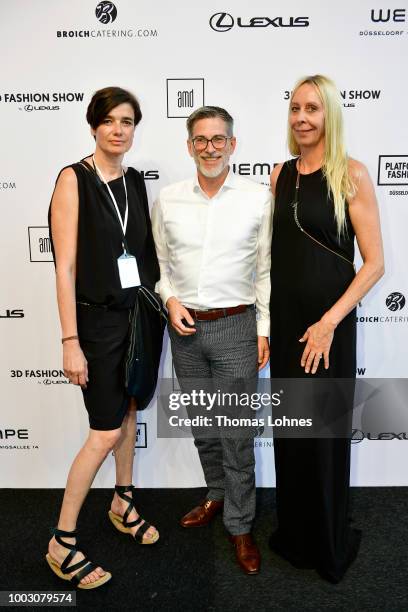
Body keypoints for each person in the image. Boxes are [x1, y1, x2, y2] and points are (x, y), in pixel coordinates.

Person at [269, 75, 384, 583]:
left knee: (326, 435)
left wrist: (329, 322)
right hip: (288, 323)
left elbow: (375, 263)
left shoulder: (351, 174)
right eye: (295, 108)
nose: (302, 118)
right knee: (292, 433)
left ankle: (328, 542)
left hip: (329, 328)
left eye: (312, 108)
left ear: (329, 115)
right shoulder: (280, 174)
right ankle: (295, 535)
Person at [46, 87, 160, 589]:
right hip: (93, 324)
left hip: (137, 315)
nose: (119, 130)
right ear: (93, 126)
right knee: (104, 431)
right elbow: (65, 267)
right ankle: (62, 542)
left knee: (131, 409)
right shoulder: (73, 180)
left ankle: (123, 501)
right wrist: (70, 340)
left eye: (128, 122)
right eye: (110, 121)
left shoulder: (135, 181)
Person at [152, 106, 272, 575]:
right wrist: (169, 299)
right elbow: (161, 268)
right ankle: (217, 495)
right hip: (185, 331)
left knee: (237, 434)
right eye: (200, 140)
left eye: (218, 139)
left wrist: (263, 331)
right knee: (204, 425)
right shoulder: (168, 198)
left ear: (233, 145)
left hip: (237, 328)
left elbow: (264, 271)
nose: (209, 148)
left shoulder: (257, 199)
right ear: (189, 146)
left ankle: (241, 526)